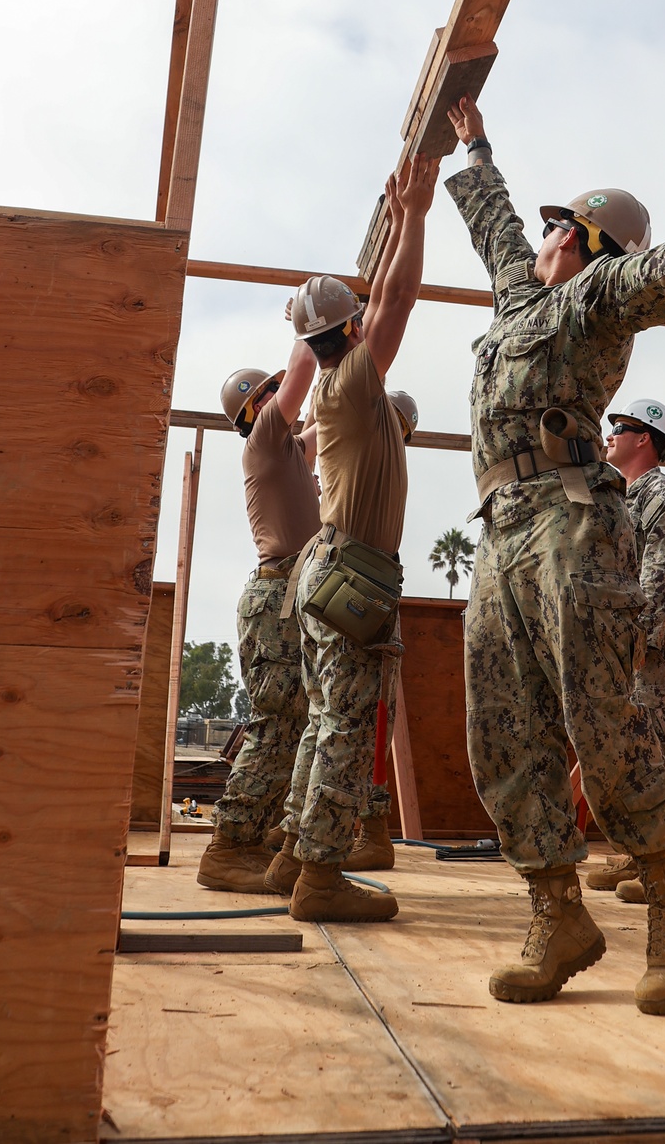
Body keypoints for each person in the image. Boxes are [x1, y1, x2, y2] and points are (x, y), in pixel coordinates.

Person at [444, 95, 665, 1012]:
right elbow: (494, 230)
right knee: (502, 727)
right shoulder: (520, 296)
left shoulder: (596, 298)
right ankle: (557, 910)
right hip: (502, 530)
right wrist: (475, 148)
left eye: (561, 224)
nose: (544, 235)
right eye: (548, 224)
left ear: (590, 242)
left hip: (570, 522)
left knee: (599, 718)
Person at [265, 155, 438, 923]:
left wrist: (400, 220)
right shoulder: (352, 382)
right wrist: (415, 216)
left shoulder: (342, 395)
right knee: (342, 724)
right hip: (350, 573)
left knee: (321, 719)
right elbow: (400, 297)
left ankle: (292, 855)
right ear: (354, 330)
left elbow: (384, 305)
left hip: (324, 570)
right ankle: (320, 879)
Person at [198, 337, 320, 893]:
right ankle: (227, 848)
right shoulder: (268, 436)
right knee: (276, 727)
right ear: (258, 409)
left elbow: (324, 412)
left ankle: (259, 832)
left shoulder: (288, 450)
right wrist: (315, 316)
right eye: (271, 393)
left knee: (293, 726)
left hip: (290, 598)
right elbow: (303, 366)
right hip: (278, 602)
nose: (284, 396)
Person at [586, 400, 665, 903]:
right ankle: (642, 854)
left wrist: (634, 643)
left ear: (645, 440)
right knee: (631, 755)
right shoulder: (617, 499)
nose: (611, 435)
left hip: (653, 651)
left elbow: (664, 579)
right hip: (621, 649)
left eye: (622, 428)